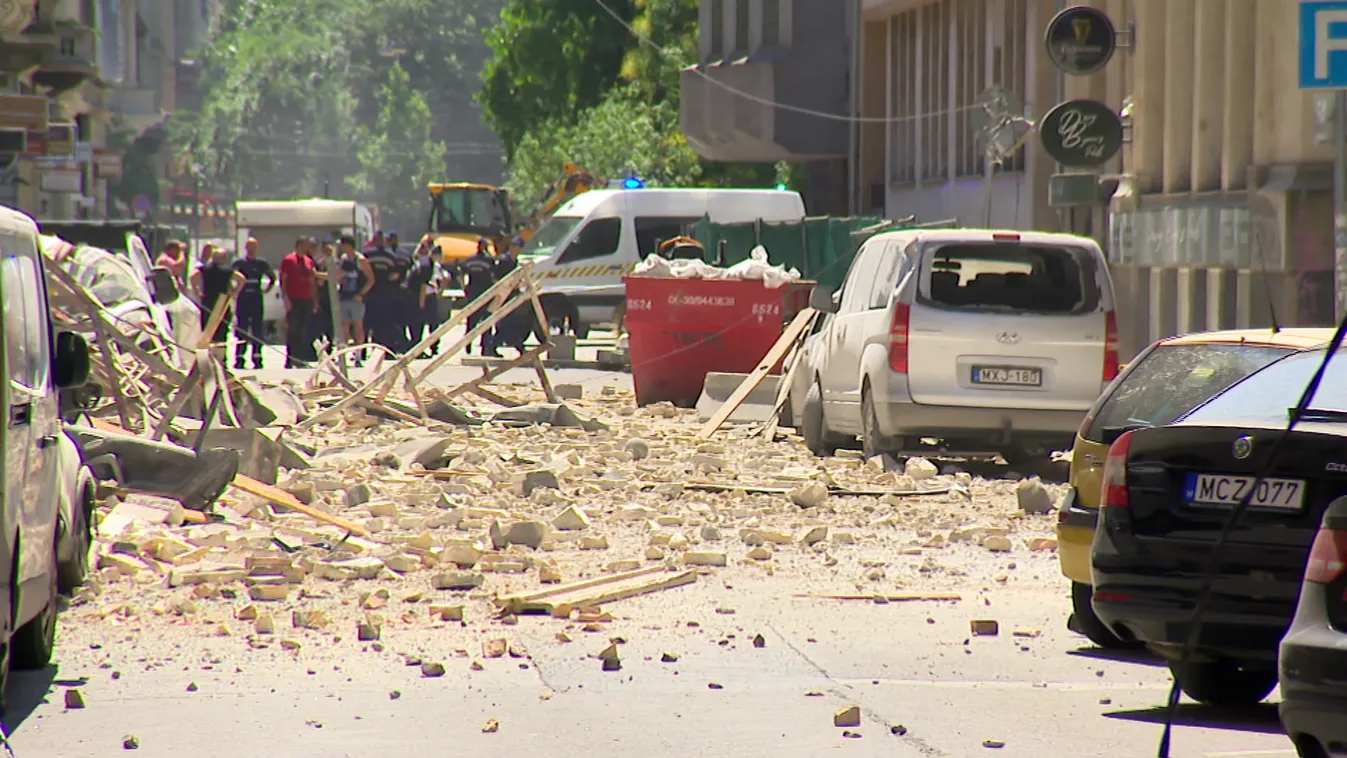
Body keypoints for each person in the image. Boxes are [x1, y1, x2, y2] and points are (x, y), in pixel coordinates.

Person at [190, 245, 246, 362]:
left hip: (208, 302)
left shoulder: (205, 269)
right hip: (222, 303)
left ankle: (207, 358)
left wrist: (197, 292)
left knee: (207, 332)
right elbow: (242, 279)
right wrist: (234, 292)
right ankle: (221, 359)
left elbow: (192, 277)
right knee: (222, 332)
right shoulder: (227, 270)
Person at [231, 237, 276, 370]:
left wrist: (266, 290)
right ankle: (239, 358)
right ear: (245, 248)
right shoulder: (239, 263)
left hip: (256, 296)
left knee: (257, 328)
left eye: (254, 247)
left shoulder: (261, 263)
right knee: (242, 328)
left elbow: (272, 277)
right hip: (243, 296)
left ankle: (257, 358)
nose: (251, 249)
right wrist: (233, 290)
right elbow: (229, 276)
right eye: (249, 246)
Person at [279, 236, 320, 368]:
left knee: (303, 329)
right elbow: (283, 279)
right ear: (299, 245)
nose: (308, 247)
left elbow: (312, 280)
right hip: (294, 299)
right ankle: (290, 358)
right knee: (293, 329)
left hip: (307, 299)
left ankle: (299, 358)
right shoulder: (289, 260)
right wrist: (285, 298)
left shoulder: (309, 261)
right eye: (306, 244)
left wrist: (315, 300)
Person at [335, 235, 375, 366]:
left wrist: (361, 293)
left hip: (356, 297)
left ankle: (358, 355)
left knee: (358, 326)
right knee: (344, 326)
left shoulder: (361, 260)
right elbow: (339, 275)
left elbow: (371, 279)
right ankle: (343, 355)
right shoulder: (343, 259)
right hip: (344, 296)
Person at [363, 229, 404, 354]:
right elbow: (395, 275)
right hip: (383, 292)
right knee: (381, 321)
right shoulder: (389, 255)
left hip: (373, 292)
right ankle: (381, 349)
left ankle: (371, 350)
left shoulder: (367, 254)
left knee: (369, 322)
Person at [457, 237, 499, 357]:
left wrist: (463, 286)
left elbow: (461, 272)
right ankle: (475, 344)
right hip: (481, 293)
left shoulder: (472, 260)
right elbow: (494, 276)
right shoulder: (487, 260)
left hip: (478, 293)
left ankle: (479, 345)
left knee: (477, 321)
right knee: (481, 320)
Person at [405, 236, 441, 358]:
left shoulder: (425, 262)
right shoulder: (428, 265)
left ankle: (419, 348)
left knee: (419, 324)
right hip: (415, 296)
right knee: (417, 324)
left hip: (413, 294)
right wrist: (421, 305)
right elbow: (422, 286)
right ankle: (417, 349)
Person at [308, 239, 336, 350]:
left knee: (331, 324)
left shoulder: (336, 261)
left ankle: (330, 346)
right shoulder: (320, 262)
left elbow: (333, 275)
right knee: (321, 322)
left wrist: (317, 274)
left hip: (332, 296)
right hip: (322, 295)